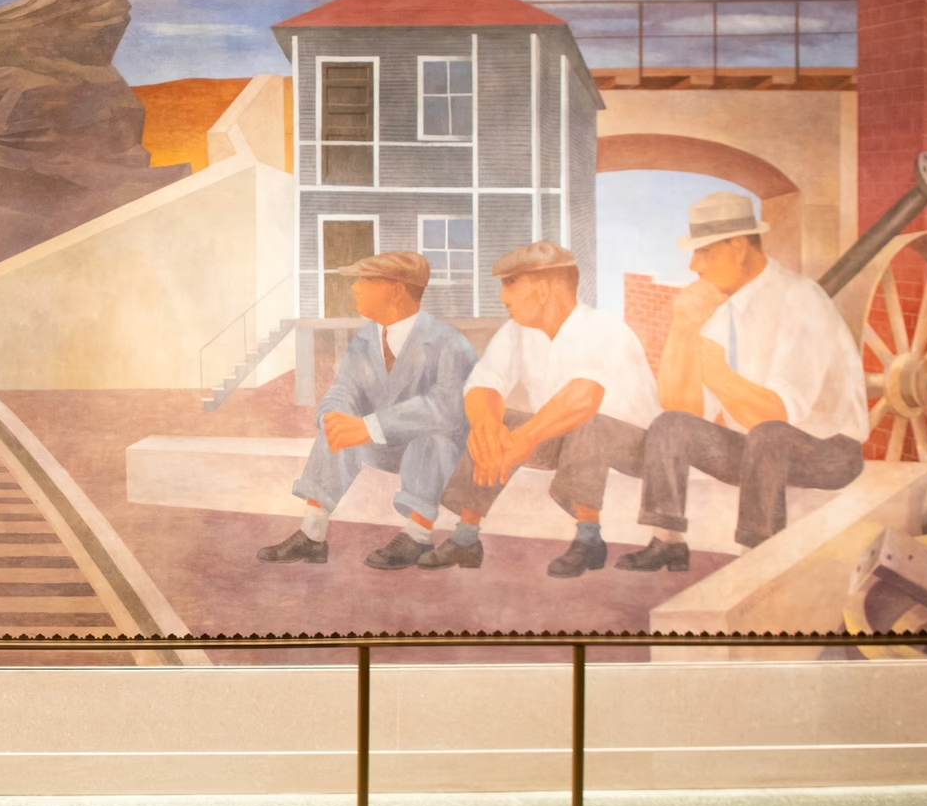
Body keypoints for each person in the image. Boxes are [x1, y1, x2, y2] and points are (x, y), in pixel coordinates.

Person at [618, 192, 869, 571]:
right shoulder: (724, 311)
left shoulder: (800, 299)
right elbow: (683, 409)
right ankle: (668, 541)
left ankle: (759, 554)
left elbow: (776, 414)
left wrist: (718, 373)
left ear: (737, 247)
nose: (693, 265)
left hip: (828, 452)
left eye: (704, 252)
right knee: (670, 426)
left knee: (769, 433)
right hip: (759, 451)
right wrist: (683, 325)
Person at [418, 242, 660, 578]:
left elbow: (584, 396)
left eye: (511, 283)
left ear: (544, 288)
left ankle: (589, 536)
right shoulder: (517, 331)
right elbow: (483, 384)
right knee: (491, 422)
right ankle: (466, 537)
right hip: (565, 438)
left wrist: (526, 437)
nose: (503, 297)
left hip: (638, 447)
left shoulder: (603, 329)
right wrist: (488, 426)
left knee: (590, 423)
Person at [258, 251, 477, 571]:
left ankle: (418, 535)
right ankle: (312, 535)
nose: (355, 287)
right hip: (384, 442)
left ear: (397, 289)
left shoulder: (449, 342)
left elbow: (447, 410)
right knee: (336, 428)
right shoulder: (365, 339)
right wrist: (331, 415)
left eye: (366, 280)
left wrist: (371, 426)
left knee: (432, 440)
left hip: (441, 451)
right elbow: (343, 388)